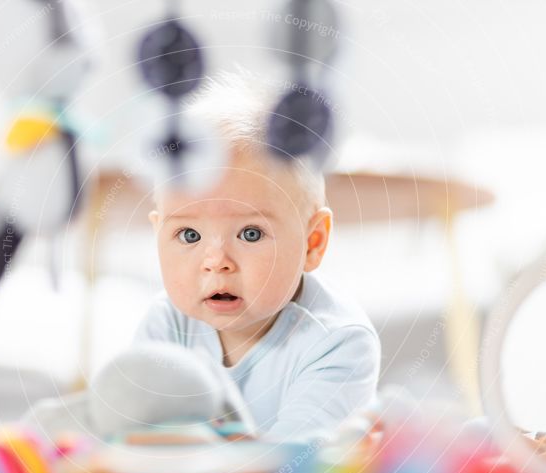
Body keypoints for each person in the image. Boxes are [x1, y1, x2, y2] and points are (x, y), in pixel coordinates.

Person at [134, 69, 381, 442]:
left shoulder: (338, 342)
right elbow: (136, 434)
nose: (216, 261)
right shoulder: (166, 325)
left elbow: (292, 468)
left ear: (312, 244)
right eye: (188, 234)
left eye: (250, 233)